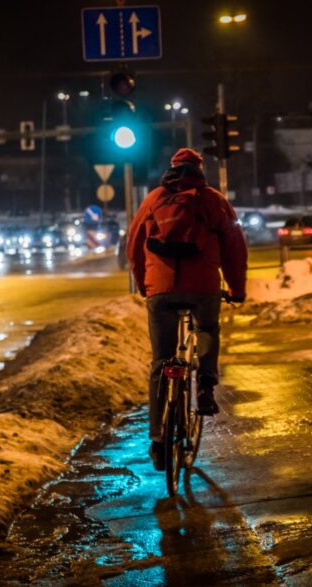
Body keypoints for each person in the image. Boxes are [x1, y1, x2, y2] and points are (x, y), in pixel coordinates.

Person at [126, 148, 248, 469]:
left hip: (160, 291)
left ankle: (158, 440)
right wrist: (236, 289)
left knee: (160, 361)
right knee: (207, 329)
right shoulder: (213, 200)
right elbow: (235, 246)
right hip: (203, 287)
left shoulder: (153, 200)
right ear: (198, 170)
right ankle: (205, 386)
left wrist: (145, 285)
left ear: (172, 170)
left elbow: (133, 245)